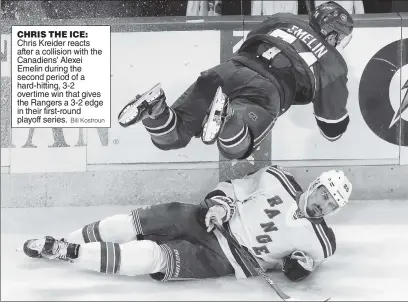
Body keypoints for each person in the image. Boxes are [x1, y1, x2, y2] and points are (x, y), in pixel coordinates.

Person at [23, 165, 352, 283]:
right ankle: (61, 241)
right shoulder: (276, 178)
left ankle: (71, 251)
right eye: (324, 194)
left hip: (226, 260)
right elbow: (231, 188)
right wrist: (219, 206)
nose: (323, 204)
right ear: (316, 185)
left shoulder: (323, 243)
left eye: (331, 204)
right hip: (206, 221)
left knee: (155, 256)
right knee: (140, 221)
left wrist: (298, 270)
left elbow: (297, 270)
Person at [117, 1, 354, 160]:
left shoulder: (285, 19)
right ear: (332, 33)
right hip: (267, 88)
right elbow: (331, 127)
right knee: (236, 148)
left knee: (175, 135)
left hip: (230, 69)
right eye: (340, 37)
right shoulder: (332, 62)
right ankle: (229, 116)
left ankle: (155, 108)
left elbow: (251, 38)